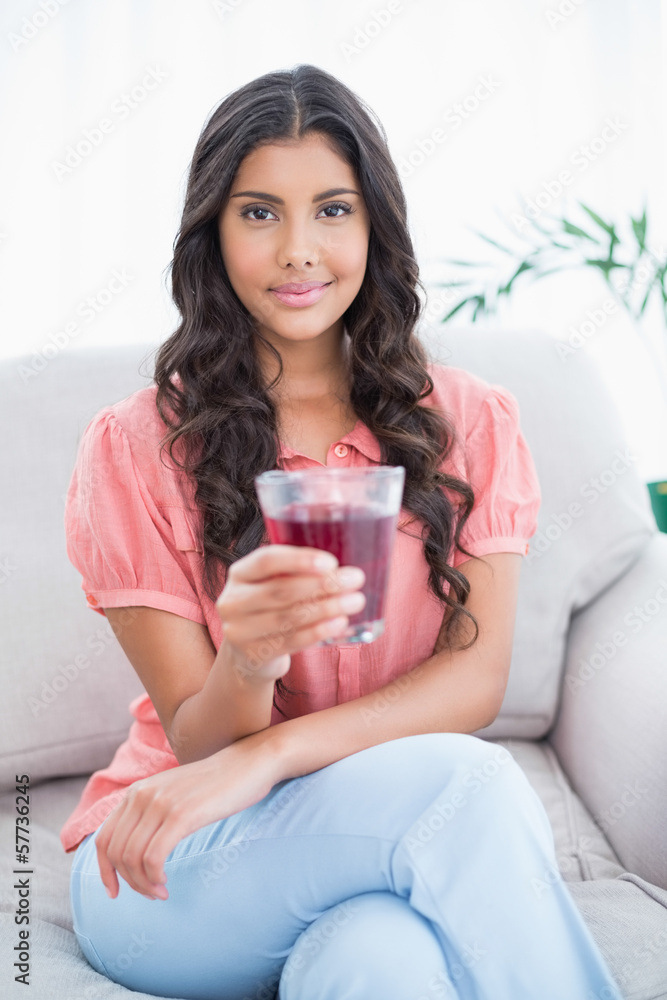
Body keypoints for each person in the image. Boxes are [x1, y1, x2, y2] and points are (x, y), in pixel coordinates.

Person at [62, 64, 622, 1000]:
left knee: (379, 958)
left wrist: (279, 753)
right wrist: (247, 661)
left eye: (331, 209)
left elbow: (474, 683)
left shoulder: (470, 421)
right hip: (171, 859)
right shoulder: (135, 446)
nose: (297, 251)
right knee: (469, 787)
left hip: (357, 849)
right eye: (257, 213)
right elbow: (199, 751)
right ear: (212, 232)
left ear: (374, 227)